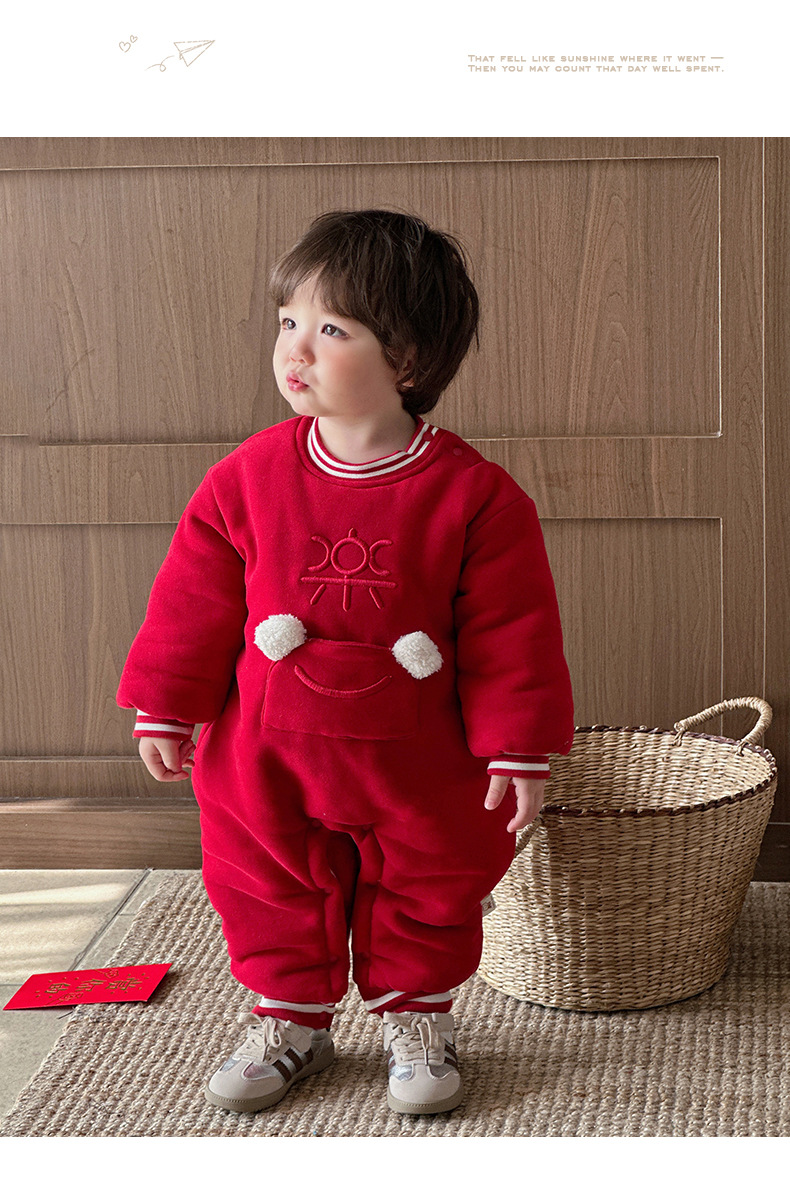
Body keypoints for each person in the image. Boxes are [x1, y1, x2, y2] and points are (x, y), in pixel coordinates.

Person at [117, 208, 574, 1117]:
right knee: (265, 876)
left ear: (407, 359)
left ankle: (417, 1016)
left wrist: (518, 747)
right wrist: (165, 703)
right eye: (289, 321)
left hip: (418, 760)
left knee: (429, 880)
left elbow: (512, 633)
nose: (295, 348)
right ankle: (291, 1017)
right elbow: (193, 600)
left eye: (332, 330)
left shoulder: (476, 498)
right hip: (266, 751)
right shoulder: (245, 478)